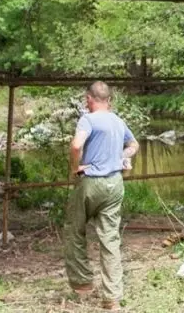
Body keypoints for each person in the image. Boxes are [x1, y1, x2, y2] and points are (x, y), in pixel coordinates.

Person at [65, 81, 139, 311]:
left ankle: (82, 283)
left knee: (74, 229)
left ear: (89, 99)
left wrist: (75, 168)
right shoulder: (118, 121)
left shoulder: (88, 119)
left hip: (92, 182)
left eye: (86, 100)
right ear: (110, 100)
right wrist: (122, 155)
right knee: (110, 239)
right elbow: (134, 144)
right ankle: (112, 298)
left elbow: (76, 146)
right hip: (115, 184)